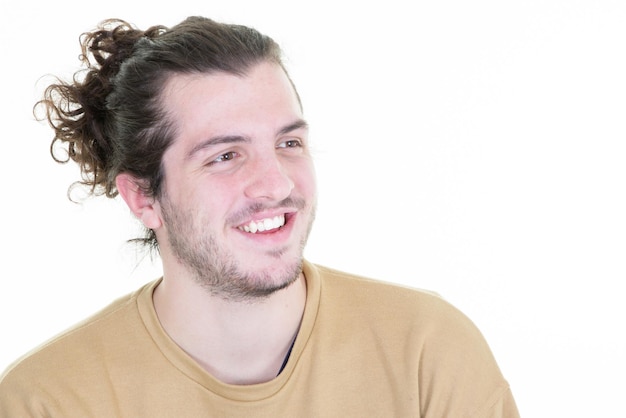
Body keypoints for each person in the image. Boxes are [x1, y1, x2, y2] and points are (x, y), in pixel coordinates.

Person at [0, 16, 519, 417]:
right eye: (225, 155)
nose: (277, 184)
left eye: (288, 142)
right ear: (142, 198)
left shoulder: (427, 352)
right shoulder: (49, 400)